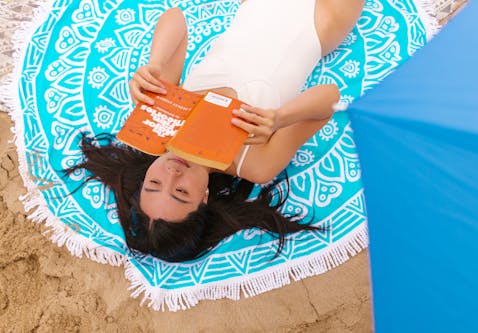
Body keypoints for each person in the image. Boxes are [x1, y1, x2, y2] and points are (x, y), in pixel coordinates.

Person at [68, 0, 365, 262]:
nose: (172, 173)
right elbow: (329, 96)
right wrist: (280, 118)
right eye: (181, 192)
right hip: (321, 16)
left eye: (155, 183)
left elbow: (176, 18)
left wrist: (155, 64)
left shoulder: (162, 122)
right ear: (205, 199)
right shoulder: (253, 162)